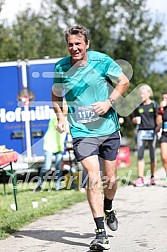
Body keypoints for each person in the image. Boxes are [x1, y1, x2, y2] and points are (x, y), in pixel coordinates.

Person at [51, 24, 130, 251]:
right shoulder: (61, 67)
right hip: (82, 132)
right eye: (70, 44)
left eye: (78, 44)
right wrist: (60, 117)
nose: (74, 48)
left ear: (87, 44)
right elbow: (55, 96)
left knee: (111, 180)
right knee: (93, 178)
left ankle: (109, 206)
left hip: (108, 129)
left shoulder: (101, 61)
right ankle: (100, 233)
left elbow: (123, 81)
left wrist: (109, 102)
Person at [35, 99, 68, 192]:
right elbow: (60, 128)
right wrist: (68, 130)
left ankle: (58, 186)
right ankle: (39, 184)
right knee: (47, 167)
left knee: (58, 166)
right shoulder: (55, 117)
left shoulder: (68, 118)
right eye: (65, 106)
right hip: (49, 144)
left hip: (59, 146)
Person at [132, 84, 158, 187]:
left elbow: (158, 118)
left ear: (149, 93)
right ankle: (140, 178)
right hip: (141, 132)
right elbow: (133, 119)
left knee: (153, 155)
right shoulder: (138, 106)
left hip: (152, 132)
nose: (141, 95)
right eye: (140, 94)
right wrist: (135, 120)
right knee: (140, 154)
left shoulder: (154, 105)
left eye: (143, 93)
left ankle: (152, 177)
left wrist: (158, 128)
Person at [156, 90, 167, 187]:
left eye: (166, 98)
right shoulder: (161, 109)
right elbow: (159, 122)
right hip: (164, 134)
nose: (164, 100)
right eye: (163, 98)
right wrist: (161, 109)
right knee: (164, 157)